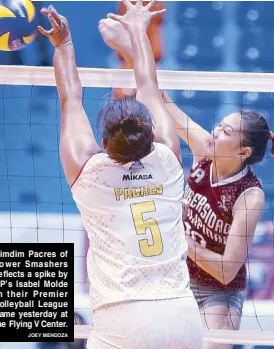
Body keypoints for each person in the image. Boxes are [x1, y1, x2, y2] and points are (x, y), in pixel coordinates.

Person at [98, 14, 274, 349]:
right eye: (218, 125)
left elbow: (225, 269)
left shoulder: (250, 197)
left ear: (243, 150)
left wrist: (177, 237)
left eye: (225, 131)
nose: (215, 132)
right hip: (174, 279)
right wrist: (129, 47)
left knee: (214, 343)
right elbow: (159, 97)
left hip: (217, 291)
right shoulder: (204, 149)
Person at [38, 2, 203, 349]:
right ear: (150, 134)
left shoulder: (89, 172)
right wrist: (138, 31)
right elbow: (147, 81)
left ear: (102, 142)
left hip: (123, 317)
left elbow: (70, 99)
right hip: (182, 314)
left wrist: (64, 43)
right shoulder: (168, 157)